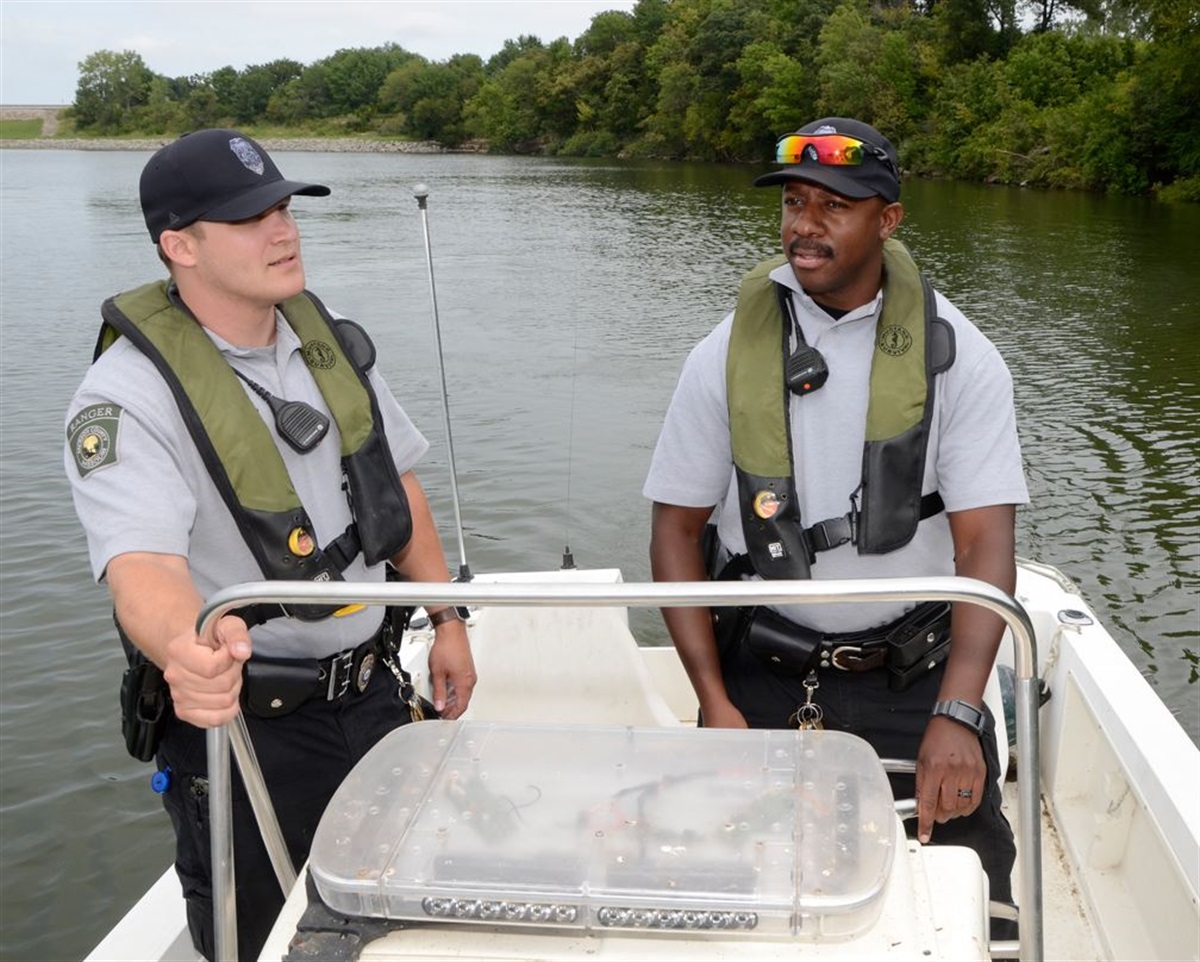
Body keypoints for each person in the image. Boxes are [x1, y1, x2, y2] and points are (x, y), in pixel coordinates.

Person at [64, 129, 477, 960]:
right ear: (179, 245)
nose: (283, 231)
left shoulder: (328, 346)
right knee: (260, 937)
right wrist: (189, 650)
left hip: (375, 699)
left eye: (284, 208)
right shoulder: (123, 397)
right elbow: (141, 569)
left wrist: (450, 615)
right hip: (251, 727)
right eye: (250, 218)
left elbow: (399, 492)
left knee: (401, 916)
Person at [643, 117, 1027, 930]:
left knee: (977, 902)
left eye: (834, 206)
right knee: (746, 900)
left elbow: (985, 544)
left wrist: (960, 712)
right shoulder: (723, 353)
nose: (804, 225)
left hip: (915, 680)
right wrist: (714, 700)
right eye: (793, 202)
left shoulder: (962, 357)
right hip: (767, 669)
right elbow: (676, 532)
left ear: (888, 219)